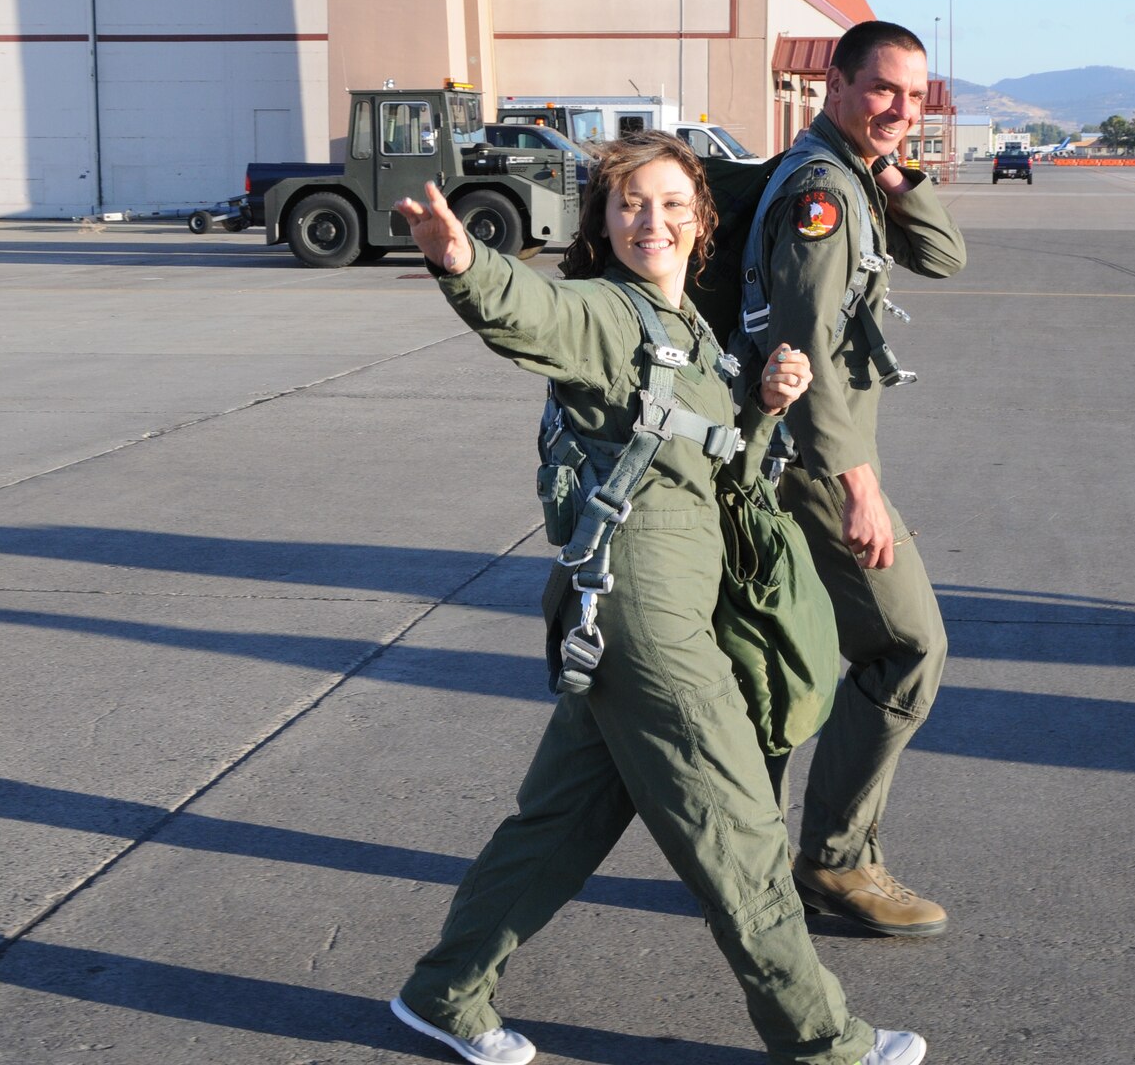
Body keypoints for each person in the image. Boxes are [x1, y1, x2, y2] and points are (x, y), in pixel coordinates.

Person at [390, 132, 926, 1065]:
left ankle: (446, 991)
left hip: (654, 599)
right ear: (603, 219)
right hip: (644, 608)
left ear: (702, 221)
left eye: (674, 203)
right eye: (632, 202)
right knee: (737, 827)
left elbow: (716, 473)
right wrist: (464, 261)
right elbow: (535, 311)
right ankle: (822, 1040)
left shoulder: (694, 334)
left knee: (560, 824)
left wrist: (761, 402)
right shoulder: (606, 313)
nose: (655, 220)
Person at [756, 21, 968, 937]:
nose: (900, 111)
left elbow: (946, 256)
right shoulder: (821, 195)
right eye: (882, 89)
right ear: (832, 85)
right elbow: (803, 349)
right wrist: (857, 485)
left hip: (813, 459)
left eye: (915, 97)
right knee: (906, 648)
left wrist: (893, 169)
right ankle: (835, 864)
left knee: (772, 670)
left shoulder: (855, 177)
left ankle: (764, 861)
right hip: (810, 465)